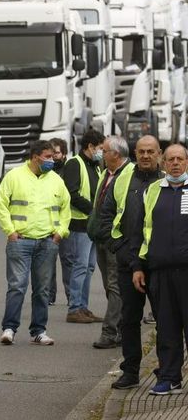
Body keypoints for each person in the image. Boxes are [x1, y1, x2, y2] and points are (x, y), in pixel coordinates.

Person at [98, 135, 161, 389]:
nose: (146, 156)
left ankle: (166, 371)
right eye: (141, 152)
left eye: (151, 152)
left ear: (159, 153)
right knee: (129, 319)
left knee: (165, 321)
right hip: (128, 262)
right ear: (135, 153)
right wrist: (119, 249)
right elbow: (106, 216)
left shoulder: (169, 179)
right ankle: (131, 371)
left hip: (159, 265)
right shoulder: (124, 178)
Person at [0, 140, 70, 346]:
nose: (51, 160)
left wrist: (60, 233)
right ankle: (9, 328)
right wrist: (10, 232)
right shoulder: (14, 176)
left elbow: (66, 208)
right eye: (47, 156)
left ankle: (38, 330)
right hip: (21, 241)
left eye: (52, 156)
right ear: (35, 156)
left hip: (47, 242)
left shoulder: (56, 180)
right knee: (17, 286)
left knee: (42, 289)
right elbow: (1, 204)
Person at [134, 144, 188, 395]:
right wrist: (138, 267)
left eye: (180, 159)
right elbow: (141, 231)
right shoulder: (152, 191)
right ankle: (169, 377)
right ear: (163, 163)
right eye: (171, 159)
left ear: (186, 162)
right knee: (166, 329)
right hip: (160, 272)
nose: (175, 163)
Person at [87, 135, 130, 349]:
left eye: (104, 151)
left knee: (115, 286)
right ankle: (122, 328)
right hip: (102, 238)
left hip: (115, 240)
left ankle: (110, 332)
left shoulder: (128, 174)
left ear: (116, 154)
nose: (100, 154)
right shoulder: (106, 173)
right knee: (109, 286)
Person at [61, 129, 105, 324]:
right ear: (90, 146)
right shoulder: (74, 164)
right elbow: (71, 193)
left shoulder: (95, 166)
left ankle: (83, 307)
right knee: (80, 267)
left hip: (91, 225)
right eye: (101, 148)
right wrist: (93, 210)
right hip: (79, 224)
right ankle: (74, 308)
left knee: (88, 267)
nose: (102, 152)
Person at [47, 137, 69, 305]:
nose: (54, 156)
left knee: (68, 261)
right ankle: (49, 296)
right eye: (51, 153)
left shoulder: (69, 170)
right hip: (48, 224)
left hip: (66, 223)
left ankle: (71, 297)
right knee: (49, 263)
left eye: (57, 153)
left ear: (64, 153)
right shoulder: (45, 172)